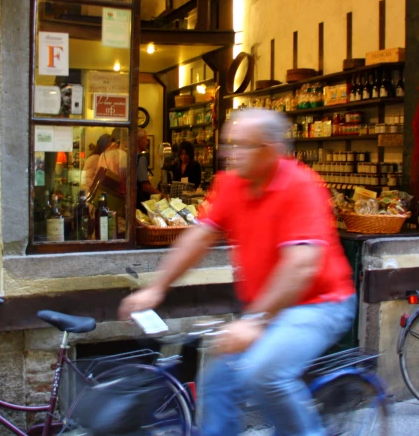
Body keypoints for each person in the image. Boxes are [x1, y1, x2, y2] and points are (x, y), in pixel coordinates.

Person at [119, 108, 356, 436]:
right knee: (215, 384)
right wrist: (157, 287)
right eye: (230, 144)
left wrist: (256, 320)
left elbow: (300, 264)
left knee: (264, 372)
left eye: (243, 146)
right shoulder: (231, 184)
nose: (231, 154)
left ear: (270, 149)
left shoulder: (301, 185)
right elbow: (198, 239)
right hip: (265, 308)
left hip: (317, 304)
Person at [137, 128, 167, 207]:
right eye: (145, 140)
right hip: (141, 201)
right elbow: (145, 186)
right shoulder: (141, 159)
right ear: (139, 141)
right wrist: (162, 195)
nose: (147, 143)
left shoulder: (130, 156)